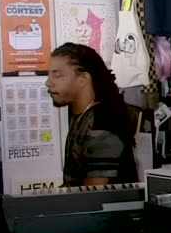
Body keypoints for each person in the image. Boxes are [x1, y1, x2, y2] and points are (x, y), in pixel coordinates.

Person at [46, 43, 138, 187]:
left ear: (83, 79)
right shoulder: (80, 117)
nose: (48, 83)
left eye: (57, 75)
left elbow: (93, 195)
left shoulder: (102, 123)